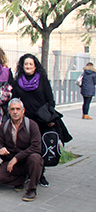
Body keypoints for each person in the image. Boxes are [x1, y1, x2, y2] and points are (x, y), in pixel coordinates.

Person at [13, 53, 67, 187]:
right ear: (22, 66)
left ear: (35, 66)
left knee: (41, 148)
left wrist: (49, 117)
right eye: (26, 64)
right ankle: (28, 173)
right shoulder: (18, 81)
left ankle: (40, 175)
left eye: (31, 64)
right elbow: (14, 99)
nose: (28, 66)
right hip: (27, 121)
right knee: (27, 147)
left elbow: (50, 100)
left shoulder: (41, 79)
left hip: (42, 121)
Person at [0, 99, 43, 202]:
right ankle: (20, 180)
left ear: (23, 111)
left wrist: (17, 158)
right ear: (9, 111)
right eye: (12, 109)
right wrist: (0, 148)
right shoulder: (5, 125)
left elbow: (36, 147)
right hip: (12, 162)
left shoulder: (32, 125)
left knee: (36, 158)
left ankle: (32, 189)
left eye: (18, 109)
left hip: (27, 160)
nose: (15, 112)